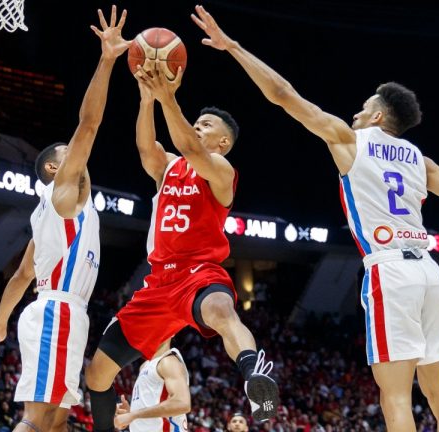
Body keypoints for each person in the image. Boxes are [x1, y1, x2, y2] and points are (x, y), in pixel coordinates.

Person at [189, 6, 439, 432]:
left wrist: (234, 48)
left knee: (394, 395)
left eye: (362, 107)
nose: (355, 113)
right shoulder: (420, 161)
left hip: (389, 270)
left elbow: (284, 95)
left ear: (377, 116)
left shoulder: (350, 139)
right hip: (429, 273)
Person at [84, 47, 279, 429]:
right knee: (97, 376)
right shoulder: (170, 167)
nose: (198, 127)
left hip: (199, 272)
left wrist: (168, 97)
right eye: (198, 122)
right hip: (158, 283)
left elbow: (188, 144)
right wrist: (146, 99)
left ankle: (256, 373)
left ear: (222, 144)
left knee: (221, 312)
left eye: (207, 125)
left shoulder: (221, 170)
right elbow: (146, 148)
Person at [0, 6, 131, 432]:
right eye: (68, 152)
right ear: (55, 170)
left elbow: (23, 273)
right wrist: (107, 59)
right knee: (40, 422)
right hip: (57, 312)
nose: (77, 153)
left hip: (57, 312)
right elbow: (90, 122)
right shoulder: (64, 195)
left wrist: (0, 321)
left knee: (57, 423)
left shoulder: (52, 212)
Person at [112, 340, 190, 432]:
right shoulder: (145, 366)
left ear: (172, 332)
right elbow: (151, 408)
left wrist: (133, 415)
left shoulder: (169, 361)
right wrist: (129, 414)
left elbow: (181, 404)